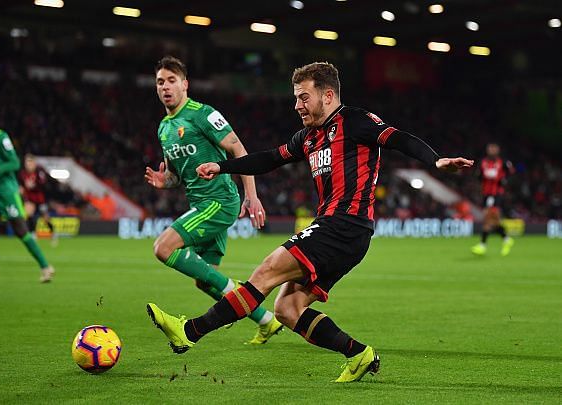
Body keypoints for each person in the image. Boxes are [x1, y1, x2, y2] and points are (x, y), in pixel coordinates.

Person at [145, 62, 474, 382]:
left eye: (304, 97)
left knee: (266, 271)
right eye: (296, 97)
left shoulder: (355, 121)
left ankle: (189, 332)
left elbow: (398, 139)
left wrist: (436, 159)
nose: (297, 104)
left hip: (345, 225)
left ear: (327, 96)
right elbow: (270, 159)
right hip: (339, 231)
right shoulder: (308, 137)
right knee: (288, 308)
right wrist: (222, 166)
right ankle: (359, 355)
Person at [144, 56, 282, 344]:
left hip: (219, 201)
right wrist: (164, 181)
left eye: (171, 80)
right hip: (200, 204)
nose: (166, 87)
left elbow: (239, 150)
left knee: (163, 247)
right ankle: (266, 320)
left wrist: (252, 197)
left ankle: (240, 295)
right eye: (160, 82)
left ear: (185, 84)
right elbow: (175, 175)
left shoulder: (203, 114)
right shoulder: (164, 128)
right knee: (204, 280)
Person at [0, 106, 55, 282]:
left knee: (20, 229)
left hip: (5, 190)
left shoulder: (0, 136)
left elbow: (14, 163)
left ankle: (46, 267)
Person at [471, 143, 515, 256]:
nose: (491, 150)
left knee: (487, 216)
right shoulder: (483, 162)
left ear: (498, 150)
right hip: (486, 193)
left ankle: (482, 245)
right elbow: (478, 176)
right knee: (493, 219)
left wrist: (504, 180)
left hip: (496, 194)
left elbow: (511, 173)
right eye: (490, 149)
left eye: (493, 149)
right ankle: (506, 238)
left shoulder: (503, 162)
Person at [18, 154, 58, 245]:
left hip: (39, 198)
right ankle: (32, 234)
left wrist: (34, 185)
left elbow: (44, 183)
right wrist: (21, 188)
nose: (28, 164)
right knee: (28, 214)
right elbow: (20, 184)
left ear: (34, 163)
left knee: (45, 218)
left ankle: (53, 232)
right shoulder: (22, 173)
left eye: (30, 162)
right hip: (29, 198)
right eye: (27, 162)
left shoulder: (39, 171)